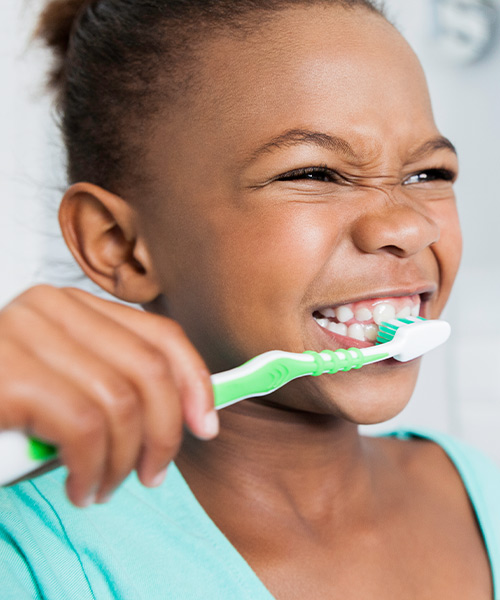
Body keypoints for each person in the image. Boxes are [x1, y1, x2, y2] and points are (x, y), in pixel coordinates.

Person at [0, 0, 498, 598]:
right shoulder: (29, 558)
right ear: (120, 245)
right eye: (312, 174)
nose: (410, 226)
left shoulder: (483, 494)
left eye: (429, 174)